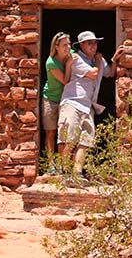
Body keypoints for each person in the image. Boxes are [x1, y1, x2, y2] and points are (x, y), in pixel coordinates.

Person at [57, 31, 125, 184]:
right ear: (81, 45)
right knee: (69, 139)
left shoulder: (97, 60)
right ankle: (65, 173)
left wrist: (114, 59)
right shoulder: (76, 59)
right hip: (72, 103)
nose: (94, 46)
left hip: (88, 106)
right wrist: (99, 61)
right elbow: (94, 73)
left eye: (95, 43)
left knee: (86, 141)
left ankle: (78, 174)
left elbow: (110, 73)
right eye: (90, 43)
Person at [41, 32, 73, 174]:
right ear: (56, 47)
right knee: (50, 132)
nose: (68, 47)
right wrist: (69, 64)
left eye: (69, 43)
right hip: (51, 99)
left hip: (65, 100)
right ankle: (51, 164)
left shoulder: (71, 54)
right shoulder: (51, 62)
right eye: (64, 44)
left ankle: (64, 165)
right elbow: (65, 81)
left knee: (64, 133)